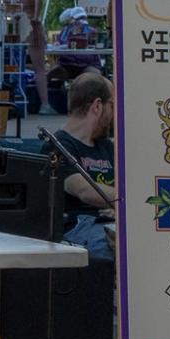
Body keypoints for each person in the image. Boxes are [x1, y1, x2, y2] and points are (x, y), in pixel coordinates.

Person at [49, 70, 115, 260]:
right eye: (112, 105)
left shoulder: (106, 146)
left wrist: (118, 207)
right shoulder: (57, 145)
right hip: (78, 226)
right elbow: (84, 190)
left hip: (108, 222)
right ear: (97, 106)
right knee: (123, 247)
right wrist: (128, 201)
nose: (114, 113)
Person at [4, 0, 49, 114]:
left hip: (14, 27)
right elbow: (38, 0)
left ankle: (11, 100)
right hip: (31, 26)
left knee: (13, 65)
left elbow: (5, 3)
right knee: (39, 68)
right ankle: (45, 104)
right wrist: (36, 17)